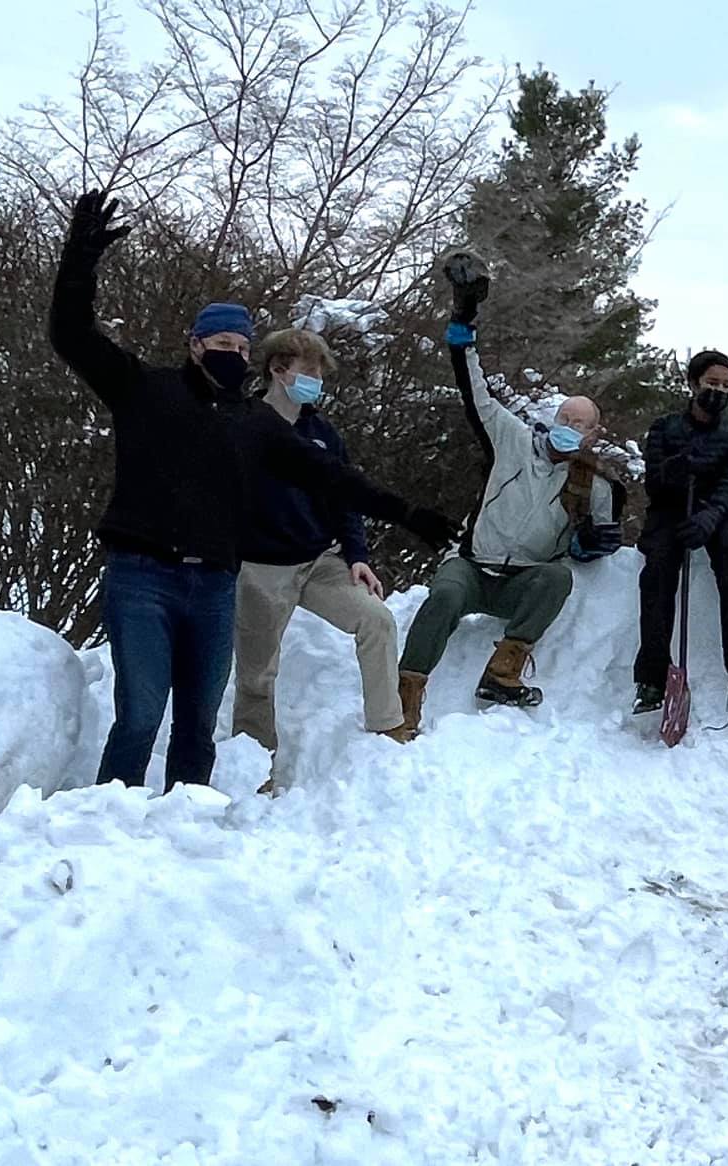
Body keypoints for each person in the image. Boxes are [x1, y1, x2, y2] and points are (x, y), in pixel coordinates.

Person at [50, 190, 455, 791]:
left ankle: (189, 819)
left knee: (196, 720)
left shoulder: (254, 423)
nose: (234, 355)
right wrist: (79, 261)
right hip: (143, 576)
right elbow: (72, 334)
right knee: (139, 714)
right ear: (194, 345)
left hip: (213, 583)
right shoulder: (144, 389)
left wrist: (409, 514)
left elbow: (332, 477)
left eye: (242, 347)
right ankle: (114, 823)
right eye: (222, 345)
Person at [394, 266, 621, 735]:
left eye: (581, 425)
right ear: (551, 417)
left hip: (523, 581)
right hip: (475, 564)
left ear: (594, 435)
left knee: (557, 578)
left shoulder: (597, 484)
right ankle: (405, 697)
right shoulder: (511, 439)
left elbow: (595, 543)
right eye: (565, 418)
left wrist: (591, 544)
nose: (569, 428)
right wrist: (464, 317)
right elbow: (472, 386)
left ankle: (503, 672)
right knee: (444, 596)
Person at [233, 328, 410, 758]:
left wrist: (357, 555)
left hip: (319, 561)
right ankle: (256, 763)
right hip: (260, 570)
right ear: (278, 370)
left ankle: (388, 730)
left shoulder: (323, 433)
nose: (316, 383)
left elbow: (343, 497)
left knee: (377, 620)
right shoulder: (241, 424)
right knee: (257, 676)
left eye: (320, 375)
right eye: (307, 373)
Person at [634, 350, 728, 713]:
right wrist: (673, 473)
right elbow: (653, 482)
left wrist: (712, 515)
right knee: (658, 569)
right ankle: (652, 675)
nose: (718, 391)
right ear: (693, 384)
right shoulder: (664, 427)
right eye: (711, 383)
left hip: (718, 513)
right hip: (669, 510)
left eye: (726, 385)